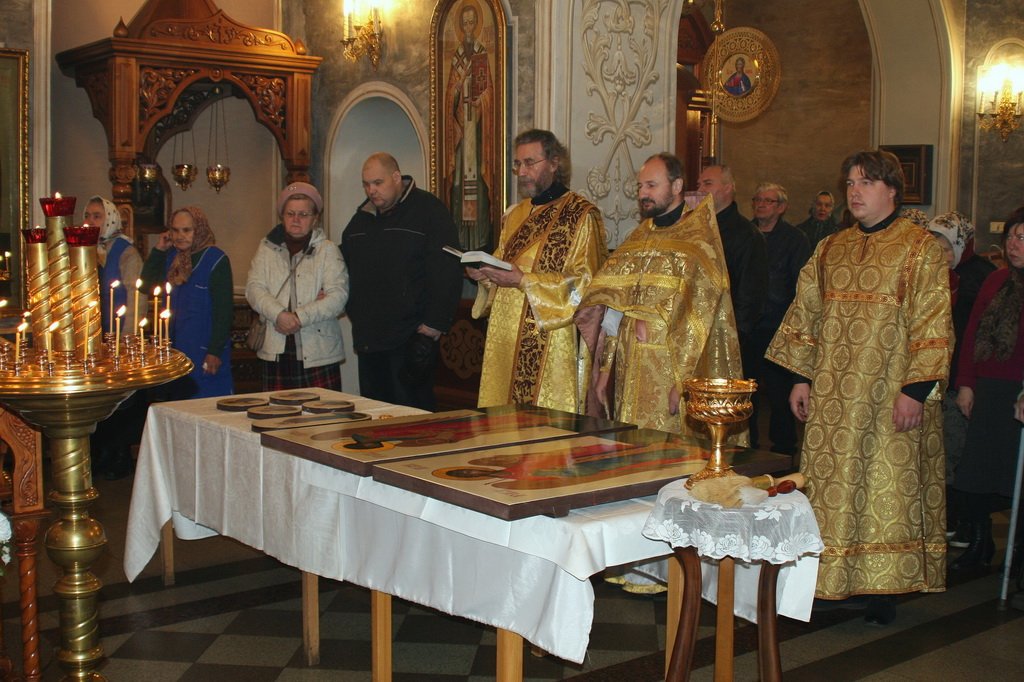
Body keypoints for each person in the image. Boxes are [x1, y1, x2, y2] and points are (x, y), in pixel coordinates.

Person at [766, 149, 952, 625]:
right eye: (850, 183)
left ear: (892, 190)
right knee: (830, 488)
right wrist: (801, 377)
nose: (854, 192)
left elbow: (933, 321)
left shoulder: (920, 248)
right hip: (832, 395)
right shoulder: (831, 248)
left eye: (866, 182)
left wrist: (916, 390)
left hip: (889, 393)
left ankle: (881, 588)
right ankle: (828, 579)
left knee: (883, 487)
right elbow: (806, 314)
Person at [580, 153, 741, 435]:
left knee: (666, 448)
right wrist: (605, 371)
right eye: (640, 186)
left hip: (669, 367)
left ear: (677, 186)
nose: (643, 193)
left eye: (651, 185)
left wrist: (683, 383)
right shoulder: (638, 237)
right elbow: (615, 305)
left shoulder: (698, 241)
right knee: (630, 443)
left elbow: (701, 316)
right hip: (629, 365)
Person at [468, 129, 607, 413]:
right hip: (506, 340)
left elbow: (586, 286)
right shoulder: (515, 215)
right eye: (518, 164)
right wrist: (485, 276)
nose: (522, 172)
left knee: (543, 429)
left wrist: (525, 281)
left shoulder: (581, 215)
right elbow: (501, 264)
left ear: (554, 163)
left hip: (551, 341)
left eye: (530, 163)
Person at [341, 153, 463, 411]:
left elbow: (447, 268)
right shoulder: (360, 219)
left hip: (412, 337)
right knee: (374, 414)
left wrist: (434, 323)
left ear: (396, 177)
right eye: (366, 184)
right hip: (369, 339)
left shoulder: (429, 211)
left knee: (411, 417)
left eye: (378, 183)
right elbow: (344, 266)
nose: (371, 190)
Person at [950, 208, 1024, 571]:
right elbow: (972, 335)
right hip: (989, 388)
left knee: (1016, 475)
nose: (1013, 245)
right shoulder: (995, 280)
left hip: (1019, 389)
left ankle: (1019, 551)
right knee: (974, 473)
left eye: (1022, 238)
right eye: (1010, 237)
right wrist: (966, 383)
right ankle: (980, 542)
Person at [926, 212, 996, 546]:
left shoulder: (978, 277)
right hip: (938, 377)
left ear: (959, 245)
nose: (939, 255)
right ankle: (948, 518)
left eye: (944, 248)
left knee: (958, 454)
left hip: (962, 378)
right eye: (934, 248)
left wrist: (967, 380)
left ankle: (965, 523)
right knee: (940, 453)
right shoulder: (934, 275)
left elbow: (975, 334)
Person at [246, 183, 349, 391]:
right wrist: (279, 315)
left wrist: (299, 317)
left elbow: (338, 297)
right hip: (275, 349)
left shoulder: (327, 250)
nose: (296, 219)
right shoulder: (266, 248)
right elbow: (254, 289)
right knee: (277, 411)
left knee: (323, 412)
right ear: (282, 216)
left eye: (303, 214)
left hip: (318, 350)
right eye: (290, 213)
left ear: (315, 218)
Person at [142, 205, 234, 399]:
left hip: (203, 349)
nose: (180, 236)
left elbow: (223, 312)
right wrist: (159, 250)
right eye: (175, 230)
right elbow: (145, 285)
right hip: (175, 351)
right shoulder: (172, 258)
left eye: (186, 230)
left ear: (199, 229)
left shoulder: (216, 260)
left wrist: (214, 351)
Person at [85, 195, 145, 479]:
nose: (91, 221)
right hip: (91, 337)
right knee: (95, 399)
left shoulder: (125, 252)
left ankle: (118, 454)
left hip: (119, 335)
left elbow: (136, 296)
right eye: (87, 215)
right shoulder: (84, 250)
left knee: (120, 401)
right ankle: (99, 452)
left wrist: (127, 338)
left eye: (97, 216)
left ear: (109, 219)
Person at [750, 182, 811, 456]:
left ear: (782, 207)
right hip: (749, 328)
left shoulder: (795, 239)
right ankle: (747, 448)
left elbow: (801, 286)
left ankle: (783, 454)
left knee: (779, 395)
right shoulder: (747, 233)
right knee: (746, 394)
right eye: (758, 200)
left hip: (779, 327)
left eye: (768, 201)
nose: (761, 205)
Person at [696, 165, 768, 375]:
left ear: (728, 188)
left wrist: (734, 339)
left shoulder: (748, 235)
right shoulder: (694, 229)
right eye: (699, 184)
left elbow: (751, 297)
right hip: (697, 334)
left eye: (708, 183)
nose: (700, 189)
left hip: (730, 339)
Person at [443, 0, 495, 251]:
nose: (468, 27)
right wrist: (457, 90)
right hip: (461, 130)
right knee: (458, 185)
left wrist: (480, 101)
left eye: (472, 22)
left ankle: (480, 241)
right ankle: (460, 241)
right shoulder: (457, 58)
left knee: (479, 185)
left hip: (476, 128)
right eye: (464, 23)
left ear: (476, 24)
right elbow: (449, 95)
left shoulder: (481, 53)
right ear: (461, 26)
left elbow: (489, 92)